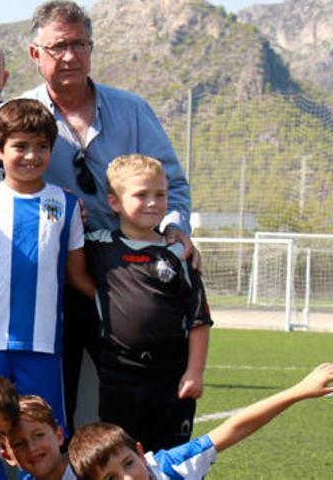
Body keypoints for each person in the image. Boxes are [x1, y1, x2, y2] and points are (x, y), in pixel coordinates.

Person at [2, 0, 195, 431]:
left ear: (91, 48)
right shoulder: (17, 116)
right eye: (57, 47)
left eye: (78, 44)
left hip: (128, 277)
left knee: (138, 401)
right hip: (49, 279)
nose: (69, 56)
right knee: (52, 405)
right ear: (35, 55)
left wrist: (174, 230)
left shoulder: (133, 111)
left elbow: (176, 187)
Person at [0, 99, 95, 432]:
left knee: (40, 437)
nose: (31, 155)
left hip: (42, 345)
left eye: (41, 146)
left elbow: (77, 275)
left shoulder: (65, 205)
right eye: (20, 146)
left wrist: (120, 306)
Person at [85, 155, 211, 452]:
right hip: (119, 373)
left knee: (171, 455)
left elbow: (199, 320)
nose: (153, 202)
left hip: (172, 377)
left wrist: (195, 371)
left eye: (161, 195)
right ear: (114, 202)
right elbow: (73, 271)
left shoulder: (178, 253)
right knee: (121, 453)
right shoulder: (98, 245)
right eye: (142, 195)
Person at [66, 363, 333, 480]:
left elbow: (235, 427)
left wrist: (298, 391)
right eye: (112, 478)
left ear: (140, 453)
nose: (127, 479)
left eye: (128, 464)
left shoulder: (173, 466)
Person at [5, 395, 75, 480]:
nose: (31, 448)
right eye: (19, 444)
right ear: (8, 456)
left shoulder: (88, 471)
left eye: (39, 435)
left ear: (59, 436)